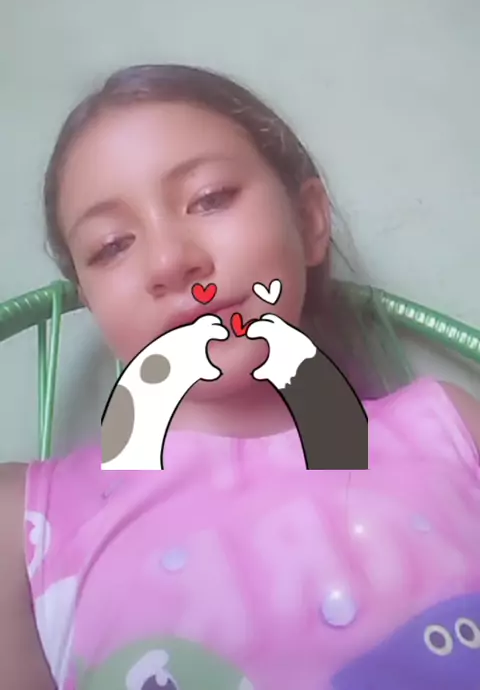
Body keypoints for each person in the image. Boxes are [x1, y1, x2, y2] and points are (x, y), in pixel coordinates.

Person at [1, 64, 479, 690]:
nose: (171, 261)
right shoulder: (19, 524)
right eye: (112, 245)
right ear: (91, 298)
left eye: (210, 198)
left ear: (309, 220)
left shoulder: (451, 429)